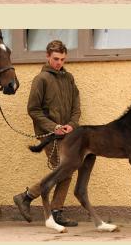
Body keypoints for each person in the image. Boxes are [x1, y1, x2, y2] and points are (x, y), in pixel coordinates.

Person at [13, 40, 81, 227]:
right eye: (56, 59)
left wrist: (72, 125)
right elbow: (33, 110)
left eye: (62, 59)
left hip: (68, 134)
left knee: (67, 170)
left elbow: (76, 106)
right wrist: (54, 127)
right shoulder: (41, 79)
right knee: (64, 169)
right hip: (48, 136)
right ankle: (30, 199)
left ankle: (35, 201)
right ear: (48, 57)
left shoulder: (69, 78)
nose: (59, 63)